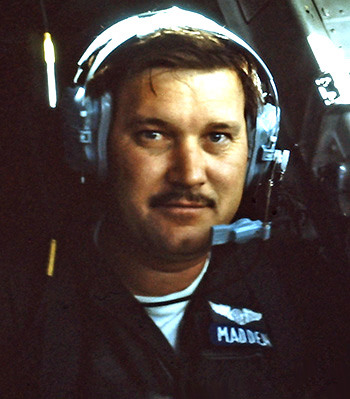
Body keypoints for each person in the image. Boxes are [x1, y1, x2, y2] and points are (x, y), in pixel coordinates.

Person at [2, 6, 347, 399]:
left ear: (256, 156)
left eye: (217, 137)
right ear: (92, 144)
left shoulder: (311, 301)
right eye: (154, 134)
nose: (189, 174)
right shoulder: (22, 306)